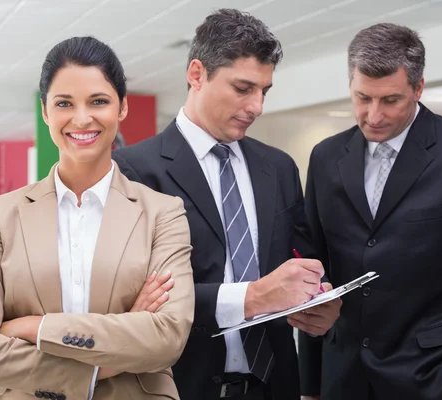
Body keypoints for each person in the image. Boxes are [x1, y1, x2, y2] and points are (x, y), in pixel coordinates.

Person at [113, 8, 342, 400]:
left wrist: (319, 301)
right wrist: (252, 298)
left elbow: (300, 260)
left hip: (276, 385)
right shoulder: (132, 171)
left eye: (264, 91)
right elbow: (134, 300)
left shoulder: (279, 167)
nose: (257, 106)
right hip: (181, 386)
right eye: (243, 89)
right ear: (197, 74)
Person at [0, 36, 194, 400]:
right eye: (64, 103)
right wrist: (123, 337)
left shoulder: (162, 213)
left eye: (99, 101)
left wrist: (34, 327)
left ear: (122, 108)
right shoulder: (0, 215)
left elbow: (166, 339)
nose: (82, 118)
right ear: (46, 112)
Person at [298, 22, 442, 400]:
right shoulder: (325, 158)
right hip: (343, 379)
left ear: (418, 88)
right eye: (362, 98)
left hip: (437, 378)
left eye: (390, 100)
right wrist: (310, 385)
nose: (373, 115)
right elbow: (314, 273)